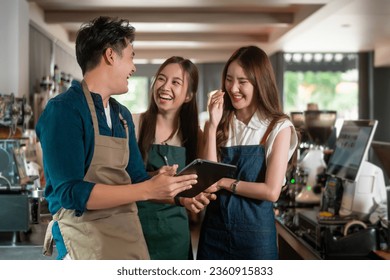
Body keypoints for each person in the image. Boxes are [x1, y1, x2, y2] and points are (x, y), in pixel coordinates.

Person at [35, 16, 198, 260]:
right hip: (82, 238)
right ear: (111, 56)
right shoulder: (64, 110)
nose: (134, 67)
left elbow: (136, 178)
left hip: (125, 232)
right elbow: (70, 192)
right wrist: (146, 189)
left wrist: (175, 190)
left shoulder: (120, 114)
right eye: (131, 56)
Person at [197, 45, 298, 260]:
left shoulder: (278, 127)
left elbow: (271, 191)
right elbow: (208, 180)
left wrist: (225, 182)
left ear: (260, 83)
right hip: (214, 232)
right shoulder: (219, 123)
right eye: (229, 79)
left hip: (256, 240)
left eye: (243, 82)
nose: (233, 88)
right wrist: (212, 126)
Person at [133, 56, 214, 259]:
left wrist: (212, 126)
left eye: (176, 82)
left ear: (188, 95)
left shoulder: (195, 135)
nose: (165, 86)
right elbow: (120, 178)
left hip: (175, 236)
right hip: (134, 230)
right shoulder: (134, 124)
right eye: (161, 79)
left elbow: (208, 183)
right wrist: (153, 176)